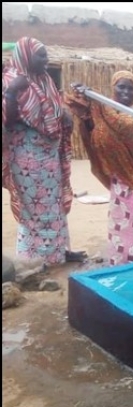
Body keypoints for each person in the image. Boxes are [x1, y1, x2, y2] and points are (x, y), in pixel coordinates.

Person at [2, 37, 85, 265]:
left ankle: (59, 252)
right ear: (26, 56)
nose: (46, 59)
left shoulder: (45, 80)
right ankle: (34, 260)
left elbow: (53, 111)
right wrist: (10, 93)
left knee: (55, 204)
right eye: (41, 55)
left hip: (50, 156)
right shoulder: (10, 81)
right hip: (26, 159)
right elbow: (6, 122)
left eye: (46, 54)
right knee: (34, 210)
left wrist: (64, 115)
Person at [67, 71, 133, 266]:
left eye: (130, 88)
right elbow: (95, 136)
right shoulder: (105, 114)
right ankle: (121, 261)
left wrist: (99, 102)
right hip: (121, 182)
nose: (126, 91)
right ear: (113, 88)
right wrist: (86, 112)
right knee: (121, 223)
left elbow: (126, 126)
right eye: (121, 87)